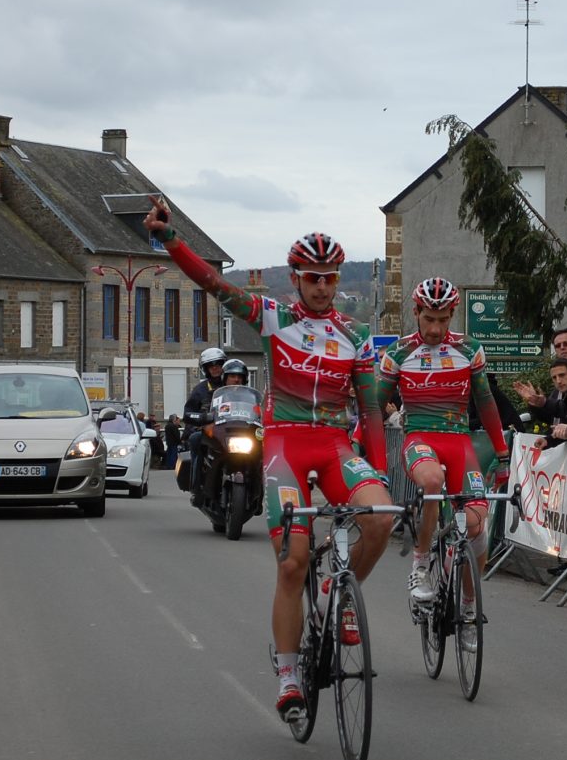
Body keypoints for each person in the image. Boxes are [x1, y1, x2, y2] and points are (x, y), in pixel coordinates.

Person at [143, 199, 391, 723]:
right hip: (282, 445)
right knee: (292, 561)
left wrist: (380, 470)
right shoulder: (273, 317)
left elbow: (370, 410)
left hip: (334, 446)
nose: (321, 286)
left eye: (328, 277)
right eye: (311, 277)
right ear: (296, 278)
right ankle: (286, 673)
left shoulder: (357, 336)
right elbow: (213, 283)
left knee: (381, 516)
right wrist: (170, 240)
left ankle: (342, 597)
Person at [374, 277, 511, 614]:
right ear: (416, 311)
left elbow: (487, 402)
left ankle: (467, 605)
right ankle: (420, 563)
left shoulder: (468, 349)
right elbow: (374, 409)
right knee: (433, 482)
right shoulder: (398, 352)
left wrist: (503, 456)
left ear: (452, 314)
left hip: (459, 441)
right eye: (428, 319)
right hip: (419, 439)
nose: (435, 328)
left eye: (443, 319)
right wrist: (369, 457)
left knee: (477, 524)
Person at [183, 347, 228, 504]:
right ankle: (196, 487)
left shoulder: (232, 384)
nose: (215, 367)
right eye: (211, 365)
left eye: (218, 364)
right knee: (196, 439)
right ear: (206, 369)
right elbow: (187, 413)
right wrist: (200, 418)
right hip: (209, 431)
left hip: (231, 430)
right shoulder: (200, 390)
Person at [514, 358, 567, 432]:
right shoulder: (556, 393)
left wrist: (544, 402)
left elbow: (565, 410)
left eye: (562, 375)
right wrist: (534, 403)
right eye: (554, 377)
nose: (558, 381)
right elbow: (548, 417)